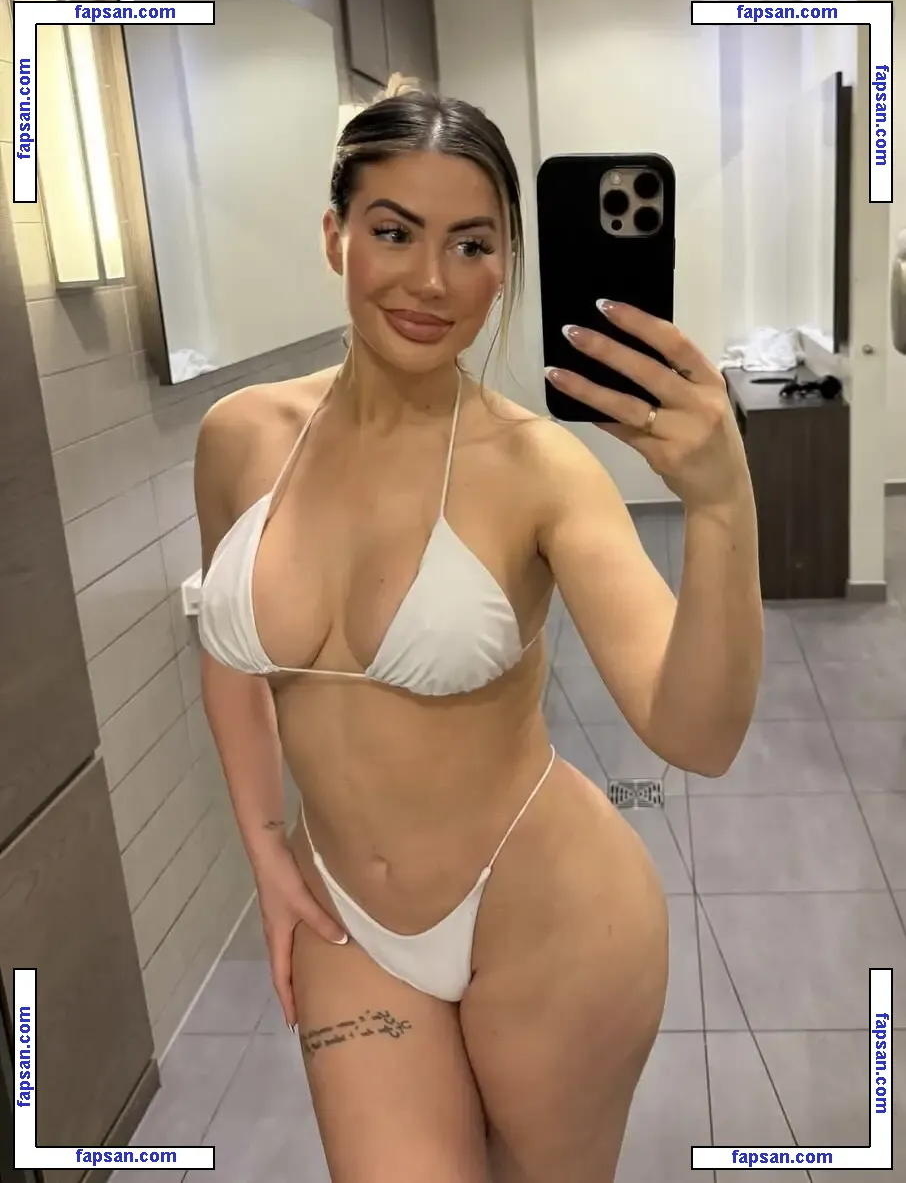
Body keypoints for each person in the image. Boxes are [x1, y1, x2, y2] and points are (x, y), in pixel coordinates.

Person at [195, 74, 763, 1183]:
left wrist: (721, 506)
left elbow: (697, 733)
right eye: (393, 231)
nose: (431, 279)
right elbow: (228, 653)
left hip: (548, 916)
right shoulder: (239, 437)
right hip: (349, 921)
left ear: (508, 261)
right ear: (334, 235)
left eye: (472, 244)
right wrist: (265, 845)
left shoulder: (541, 466)